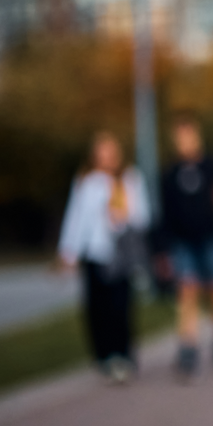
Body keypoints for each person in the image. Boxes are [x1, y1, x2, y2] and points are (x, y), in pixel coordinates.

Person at [57, 130, 150, 383]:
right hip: (95, 253)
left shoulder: (129, 179)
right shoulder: (87, 182)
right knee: (97, 308)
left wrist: (123, 217)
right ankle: (104, 356)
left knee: (120, 307)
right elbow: (75, 218)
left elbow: (143, 216)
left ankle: (123, 354)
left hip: (120, 254)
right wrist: (68, 251)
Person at [155, 112, 213, 382]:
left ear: (197, 135)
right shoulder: (169, 174)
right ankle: (188, 346)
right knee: (188, 291)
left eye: (188, 135)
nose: (185, 141)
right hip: (182, 242)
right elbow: (164, 215)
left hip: (211, 238)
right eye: (180, 137)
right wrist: (162, 250)